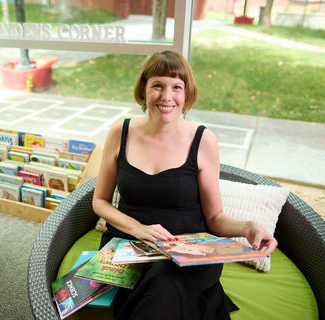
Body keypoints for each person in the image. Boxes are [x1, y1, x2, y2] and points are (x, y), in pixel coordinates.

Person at [92, 50, 277, 320]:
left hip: (189, 252)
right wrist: (138, 229)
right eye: (157, 85)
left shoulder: (204, 140)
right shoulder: (119, 131)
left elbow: (214, 218)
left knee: (164, 285)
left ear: (187, 94)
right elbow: (100, 201)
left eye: (176, 87)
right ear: (143, 90)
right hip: (128, 246)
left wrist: (248, 227)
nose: (167, 97)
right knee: (155, 290)